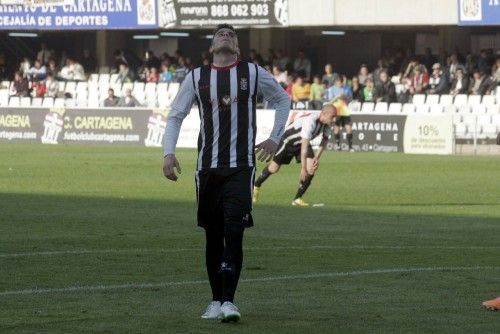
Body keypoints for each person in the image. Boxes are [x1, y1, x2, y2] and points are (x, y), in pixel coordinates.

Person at [162, 23, 290, 323]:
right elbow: (176, 115)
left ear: (238, 48)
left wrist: (275, 138)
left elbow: (283, 99)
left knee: (234, 232)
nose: (225, 36)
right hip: (206, 169)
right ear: (211, 47)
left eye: (231, 35)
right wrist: (168, 152)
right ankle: (215, 300)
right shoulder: (197, 77)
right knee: (213, 236)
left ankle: (229, 301)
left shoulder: (253, 73)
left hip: (241, 168)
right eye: (220, 34)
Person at [253, 104, 337, 206]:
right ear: (324, 114)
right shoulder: (310, 121)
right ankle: (256, 186)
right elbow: (304, 147)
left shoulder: (327, 124)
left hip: (301, 143)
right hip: (287, 142)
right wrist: (303, 168)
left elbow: (324, 140)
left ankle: (297, 199)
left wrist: (316, 157)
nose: (334, 119)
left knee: (312, 167)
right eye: (333, 116)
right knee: (274, 168)